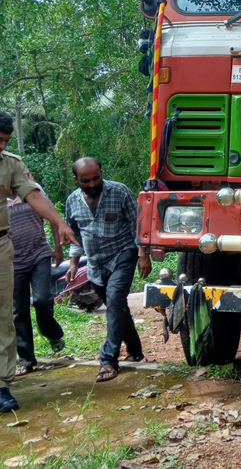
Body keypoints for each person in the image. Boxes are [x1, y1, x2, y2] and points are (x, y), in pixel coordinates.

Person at [0, 111, 78, 414]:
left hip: (4, 247)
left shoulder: (11, 164)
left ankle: (2, 386)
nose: (2, 146)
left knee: (5, 315)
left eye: (5, 141)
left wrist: (59, 223)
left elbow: (32, 194)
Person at [65, 157, 151, 383]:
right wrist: (74, 263)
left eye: (96, 178)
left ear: (101, 173)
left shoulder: (120, 192)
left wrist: (143, 255)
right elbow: (74, 234)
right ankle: (135, 349)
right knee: (118, 307)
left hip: (122, 254)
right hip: (94, 263)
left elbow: (139, 225)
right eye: (86, 181)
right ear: (76, 179)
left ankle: (108, 360)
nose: (93, 184)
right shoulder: (72, 201)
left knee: (114, 301)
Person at [10, 182, 66, 377]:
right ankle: (26, 360)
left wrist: (57, 247)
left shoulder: (33, 191)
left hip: (39, 255)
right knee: (19, 310)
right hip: (12, 262)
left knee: (42, 300)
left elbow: (52, 217)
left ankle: (53, 334)